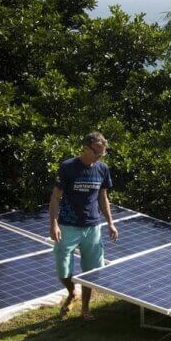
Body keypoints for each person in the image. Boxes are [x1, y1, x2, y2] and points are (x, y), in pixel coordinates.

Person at [49, 132, 118, 320]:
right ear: (86, 148)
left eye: (103, 153)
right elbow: (56, 197)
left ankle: (85, 309)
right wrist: (53, 224)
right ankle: (72, 292)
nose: (100, 156)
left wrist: (110, 223)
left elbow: (103, 197)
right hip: (68, 226)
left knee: (92, 272)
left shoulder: (102, 169)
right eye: (97, 153)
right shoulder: (68, 167)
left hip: (93, 226)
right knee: (63, 270)